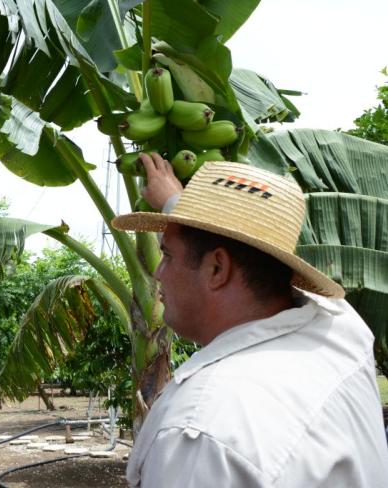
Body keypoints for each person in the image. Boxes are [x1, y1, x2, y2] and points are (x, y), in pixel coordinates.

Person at [113, 153, 388, 487]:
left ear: (217, 269)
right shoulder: (342, 330)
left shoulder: (200, 432)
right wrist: (176, 202)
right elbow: (241, 251)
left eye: (167, 256)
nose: (158, 272)